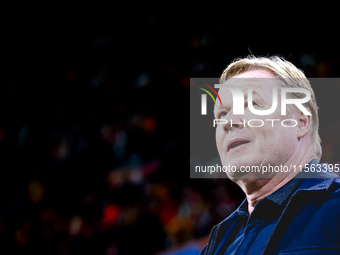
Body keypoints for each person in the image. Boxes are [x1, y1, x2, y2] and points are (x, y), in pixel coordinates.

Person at [200, 56, 340, 255]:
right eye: (222, 114)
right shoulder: (219, 244)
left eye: (253, 104)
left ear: (300, 122)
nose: (229, 122)